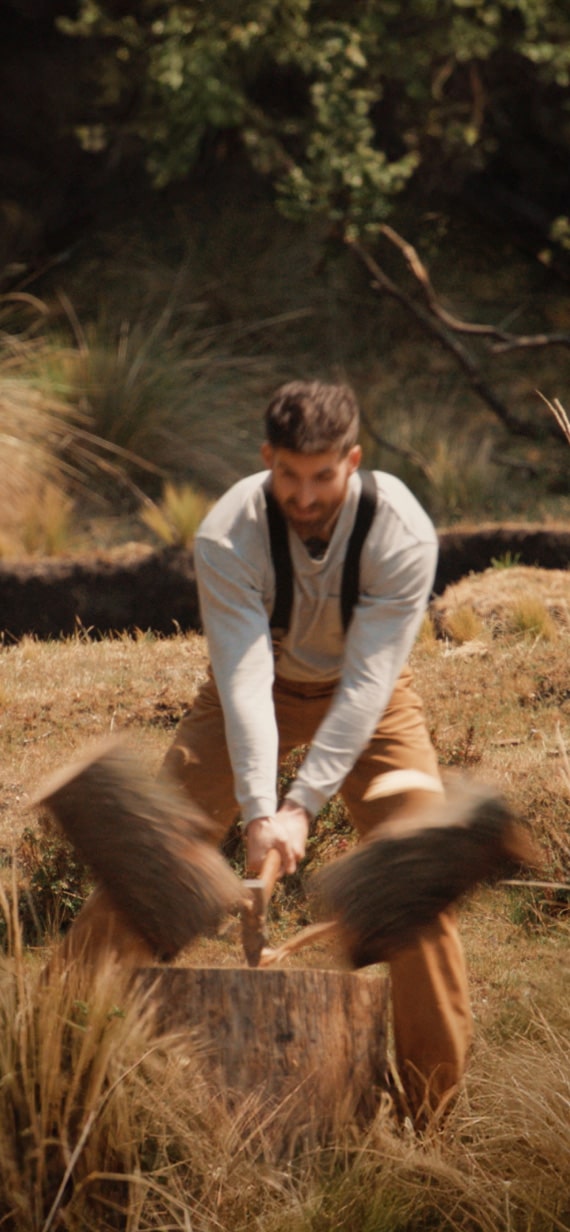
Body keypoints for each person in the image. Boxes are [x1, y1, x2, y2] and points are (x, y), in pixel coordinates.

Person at [61, 378, 472, 1129]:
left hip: (373, 699)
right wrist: (259, 811)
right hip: (253, 690)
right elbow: (244, 677)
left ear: (353, 461)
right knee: (147, 860)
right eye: (289, 474)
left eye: (323, 476)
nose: (304, 496)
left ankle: (430, 1124)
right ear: (267, 459)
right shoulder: (229, 532)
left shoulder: (403, 533)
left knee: (421, 882)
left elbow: (369, 683)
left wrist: (302, 806)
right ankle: (58, 1066)